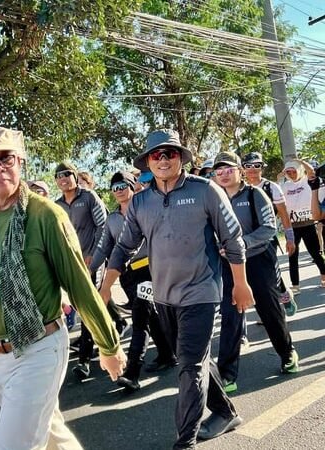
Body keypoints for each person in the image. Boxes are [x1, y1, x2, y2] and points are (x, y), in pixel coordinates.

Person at [0, 128, 125, 450]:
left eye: (5, 159)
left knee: (13, 444)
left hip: (40, 349)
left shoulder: (45, 215)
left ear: (19, 161)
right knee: (51, 437)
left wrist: (108, 345)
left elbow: (79, 286)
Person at [99, 129, 254, 449]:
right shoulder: (141, 201)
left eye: (170, 153)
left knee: (189, 366)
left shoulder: (206, 190)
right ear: (148, 162)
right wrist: (104, 289)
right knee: (193, 360)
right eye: (157, 155)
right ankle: (225, 411)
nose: (164, 159)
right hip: (164, 296)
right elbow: (123, 247)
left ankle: (185, 442)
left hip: (202, 291)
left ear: (181, 157)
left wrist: (240, 283)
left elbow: (232, 240)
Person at [212, 152, 299, 394]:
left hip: (258, 259)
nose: (224, 174)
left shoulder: (254, 194)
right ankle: (227, 374)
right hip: (229, 264)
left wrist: (242, 242)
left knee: (269, 310)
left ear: (239, 170)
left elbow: (269, 229)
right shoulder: (214, 200)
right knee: (231, 316)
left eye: (228, 169)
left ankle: (287, 352)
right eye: (219, 171)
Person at [90, 170, 176, 392]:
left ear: (132, 187)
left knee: (140, 317)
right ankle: (168, 354)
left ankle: (133, 372)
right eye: (114, 188)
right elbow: (104, 248)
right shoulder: (112, 219)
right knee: (150, 315)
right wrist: (88, 270)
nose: (118, 191)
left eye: (122, 186)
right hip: (128, 275)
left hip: (152, 269)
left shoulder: (145, 209)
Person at [55, 161, 123, 381]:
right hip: (72, 266)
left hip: (93, 261)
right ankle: (119, 321)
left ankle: (84, 360)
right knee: (88, 304)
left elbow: (103, 227)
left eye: (67, 174)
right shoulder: (56, 206)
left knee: (88, 307)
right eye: (58, 176)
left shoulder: (90, 197)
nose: (63, 179)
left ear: (75, 176)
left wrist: (94, 255)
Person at [241, 152, 297, 315]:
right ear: (242, 169)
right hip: (246, 240)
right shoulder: (238, 189)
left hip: (268, 238)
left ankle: (283, 297)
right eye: (248, 166)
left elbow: (284, 215)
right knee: (254, 278)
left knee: (271, 275)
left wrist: (290, 238)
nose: (252, 169)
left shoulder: (272, 187)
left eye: (257, 165)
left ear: (262, 168)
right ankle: (267, 310)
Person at [280, 159, 325, 293]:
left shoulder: (306, 181)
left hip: (308, 223)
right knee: (292, 255)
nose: (292, 174)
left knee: (315, 252)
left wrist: (298, 161)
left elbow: (312, 171)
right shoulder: (285, 186)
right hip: (292, 225)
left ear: (299, 170)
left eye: (294, 171)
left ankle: (324, 275)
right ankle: (295, 285)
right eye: (289, 172)